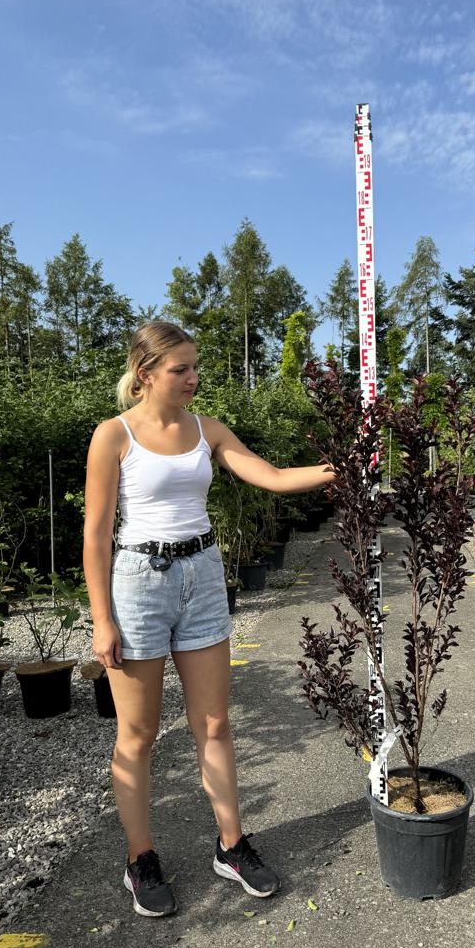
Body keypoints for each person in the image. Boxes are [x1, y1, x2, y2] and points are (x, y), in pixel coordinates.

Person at [83, 320, 334, 917]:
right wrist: (101, 619)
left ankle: (231, 845)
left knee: (215, 724)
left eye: (196, 368)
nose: (194, 379)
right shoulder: (112, 436)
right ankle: (140, 858)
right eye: (181, 370)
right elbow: (94, 534)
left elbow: (270, 477)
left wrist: (336, 471)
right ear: (145, 374)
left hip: (202, 578)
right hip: (138, 585)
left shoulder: (208, 430)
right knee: (138, 736)